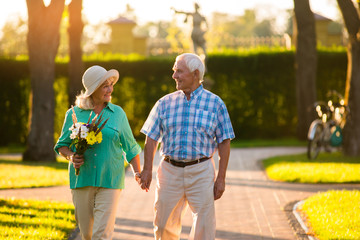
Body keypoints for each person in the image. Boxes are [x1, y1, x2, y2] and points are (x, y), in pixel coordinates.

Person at [140, 53, 235, 240]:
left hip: (201, 171)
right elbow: (151, 138)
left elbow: (224, 141)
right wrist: (147, 169)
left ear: (195, 73)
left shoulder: (216, 104)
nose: (174, 76)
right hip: (169, 171)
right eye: (174, 71)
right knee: (162, 225)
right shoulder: (164, 103)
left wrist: (221, 178)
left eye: (179, 71)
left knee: (204, 227)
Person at [54, 65, 142, 240]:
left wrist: (138, 172)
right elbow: (62, 145)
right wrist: (72, 157)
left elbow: (130, 147)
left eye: (111, 84)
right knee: (87, 234)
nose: (110, 89)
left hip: (110, 179)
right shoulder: (74, 113)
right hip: (82, 180)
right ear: (93, 89)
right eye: (105, 86)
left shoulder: (118, 114)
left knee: (101, 234)